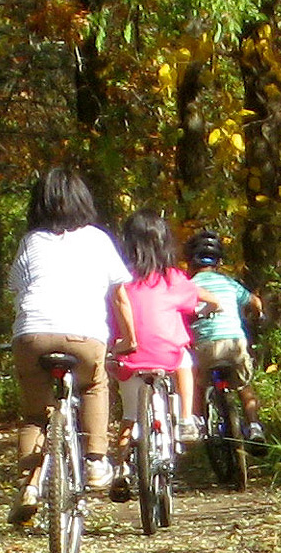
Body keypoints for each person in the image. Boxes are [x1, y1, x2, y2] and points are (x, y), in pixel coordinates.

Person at [6, 167, 137, 524]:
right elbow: (120, 295)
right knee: (95, 384)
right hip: (85, 337)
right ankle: (96, 461)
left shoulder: (31, 242)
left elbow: (15, 287)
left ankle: (28, 485)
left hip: (31, 335)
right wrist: (129, 338)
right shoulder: (98, 239)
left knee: (35, 415)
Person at [108, 209, 220, 502]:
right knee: (185, 358)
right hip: (166, 356)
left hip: (129, 357)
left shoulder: (120, 281)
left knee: (130, 416)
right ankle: (185, 419)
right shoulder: (173, 279)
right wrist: (212, 306)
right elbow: (207, 299)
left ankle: (120, 468)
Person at [186, 229, 265, 442]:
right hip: (233, 342)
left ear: (190, 262)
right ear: (219, 262)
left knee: (197, 383)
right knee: (243, 385)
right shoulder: (229, 283)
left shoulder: (188, 287)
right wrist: (258, 316)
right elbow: (255, 302)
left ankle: (199, 424)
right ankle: (255, 426)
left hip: (205, 346)